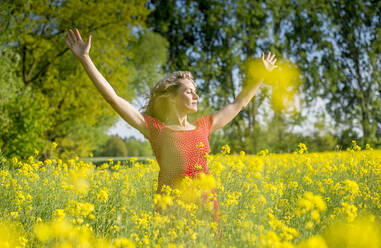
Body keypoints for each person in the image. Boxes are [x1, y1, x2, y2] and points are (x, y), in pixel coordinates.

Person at [65, 28, 277, 237]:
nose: (196, 96)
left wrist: (260, 76)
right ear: (172, 97)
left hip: (207, 211)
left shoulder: (204, 126)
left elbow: (239, 103)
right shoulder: (156, 129)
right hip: (172, 214)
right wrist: (85, 59)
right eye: (189, 91)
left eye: (195, 91)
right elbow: (114, 98)